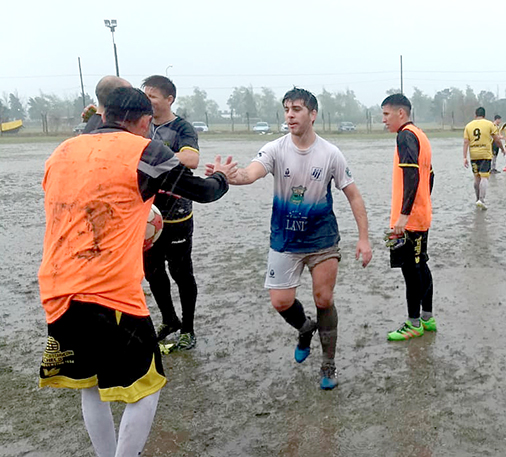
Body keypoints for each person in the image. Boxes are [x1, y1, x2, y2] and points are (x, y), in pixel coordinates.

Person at [38, 87, 238, 457]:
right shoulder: (145, 151)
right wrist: (223, 176)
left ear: (104, 113)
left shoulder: (62, 151)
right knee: (148, 386)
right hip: (109, 293)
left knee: (91, 385)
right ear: (144, 121)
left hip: (57, 288)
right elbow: (202, 191)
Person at [205, 87, 372, 390]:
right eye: (286, 109)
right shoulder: (275, 148)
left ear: (313, 114)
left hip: (322, 239)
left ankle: (328, 363)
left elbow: (354, 195)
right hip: (284, 238)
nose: (290, 115)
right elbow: (251, 173)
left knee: (324, 298)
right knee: (281, 301)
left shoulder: (330, 153)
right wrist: (229, 176)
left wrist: (364, 238)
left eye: (297, 109)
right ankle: (305, 327)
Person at [140, 75, 202, 351]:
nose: (147, 101)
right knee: (153, 273)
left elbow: (192, 159)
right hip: (146, 216)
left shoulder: (181, 128)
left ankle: (188, 328)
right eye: (145, 96)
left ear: (169, 99)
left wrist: (159, 155)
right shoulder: (140, 126)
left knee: (181, 272)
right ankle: (169, 320)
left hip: (176, 214)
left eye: (152, 96)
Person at [380, 93, 435, 341]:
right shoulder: (421, 135)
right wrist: (423, 202)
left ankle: (413, 324)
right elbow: (430, 176)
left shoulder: (405, 136)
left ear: (400, 113)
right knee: (421, 264)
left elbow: (412, 176)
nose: (384, 120)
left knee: (410, 269)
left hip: (409, 219)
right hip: (421, 214)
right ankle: (427, 317)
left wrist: (404, 215)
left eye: (386, 114)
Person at [463, 106, 505, 209]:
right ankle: (482, 199)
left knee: (476, 177)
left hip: (474, 154)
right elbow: (497, 139)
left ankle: (477, 199)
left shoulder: (468, 126)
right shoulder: (489, 124)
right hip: (485, 154)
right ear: (484, 115)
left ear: (475, 115)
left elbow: (465, 142)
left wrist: (464, 157)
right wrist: (502, 149)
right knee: (484, 177)